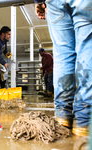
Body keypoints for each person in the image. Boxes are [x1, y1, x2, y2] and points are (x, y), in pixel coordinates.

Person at [35, 0, 92, 136]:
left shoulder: (47, 55)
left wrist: (38, 1)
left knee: (62, 52)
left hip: (54, 2)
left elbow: (51, 63)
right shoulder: (44, 57)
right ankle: (84, 119)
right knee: (86, 47)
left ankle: (62, 115)